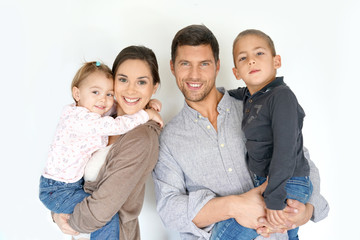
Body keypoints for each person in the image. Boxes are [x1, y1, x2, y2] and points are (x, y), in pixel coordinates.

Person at [152, 24, 329, 240]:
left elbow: (301, 159)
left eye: (204, 64)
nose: (194, 75)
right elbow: (169, 210)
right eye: (185, 64)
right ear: (172, 67)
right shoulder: (169, 138)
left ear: (218, 66)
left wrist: (308, 210)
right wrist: (233, 206)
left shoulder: (255, 107)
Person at [39, 60, 162, 239]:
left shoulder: (138, 137)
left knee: (108, 218)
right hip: (59, 189)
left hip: (64, 190)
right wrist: (145, 113)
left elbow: (117, 109)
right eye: (95, 92)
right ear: (77, 93)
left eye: (109, 94)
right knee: (107, 219)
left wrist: (147, 103)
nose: (103, 100)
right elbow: (118, 124)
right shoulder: (82, 120)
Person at [211, 29, 313, 240]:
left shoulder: (281, 97)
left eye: (259, 54)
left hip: (287, 182)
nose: (251, 61)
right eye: (243, 58)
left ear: (276, 61)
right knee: (287, 236)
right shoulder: (252, 95)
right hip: (268, 182)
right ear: (236, 72)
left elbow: (285, 151)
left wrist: (275, 198)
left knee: (227, 235)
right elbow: (231, 94)